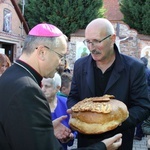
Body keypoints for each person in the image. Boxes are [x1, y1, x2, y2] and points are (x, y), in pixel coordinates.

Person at [0, 23, 122, 150]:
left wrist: (46, 129)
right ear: (42, 52)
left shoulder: (11, 75)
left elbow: (18, 131)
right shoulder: (28, 90)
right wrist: (102, 147)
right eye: (60, 56)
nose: (61, 63)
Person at [67, 18, 150, 150]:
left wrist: (112, 122)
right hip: (87, 144)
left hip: (119, 142)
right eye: (88, 41)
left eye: (97, 41)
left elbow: (143, 106)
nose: (91, 48)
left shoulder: (134, 67)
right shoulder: (80, 65)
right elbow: (73, 97)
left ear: (112, 39)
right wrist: (77, 113)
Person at [41, 73, 77, 150]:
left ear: (57, 88)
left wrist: (71, 136)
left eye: (47, 86)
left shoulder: (66, 103)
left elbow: (75, 126)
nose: (43, 89)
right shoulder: (35, 105)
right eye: (41, 85)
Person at [134, 57, 150, 140]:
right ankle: (141, 133)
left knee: (140, 113)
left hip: (141, 95)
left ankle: (139, 134)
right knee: (144, 114)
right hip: (147, 94)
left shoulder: (139, 71)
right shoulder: (148, 71)